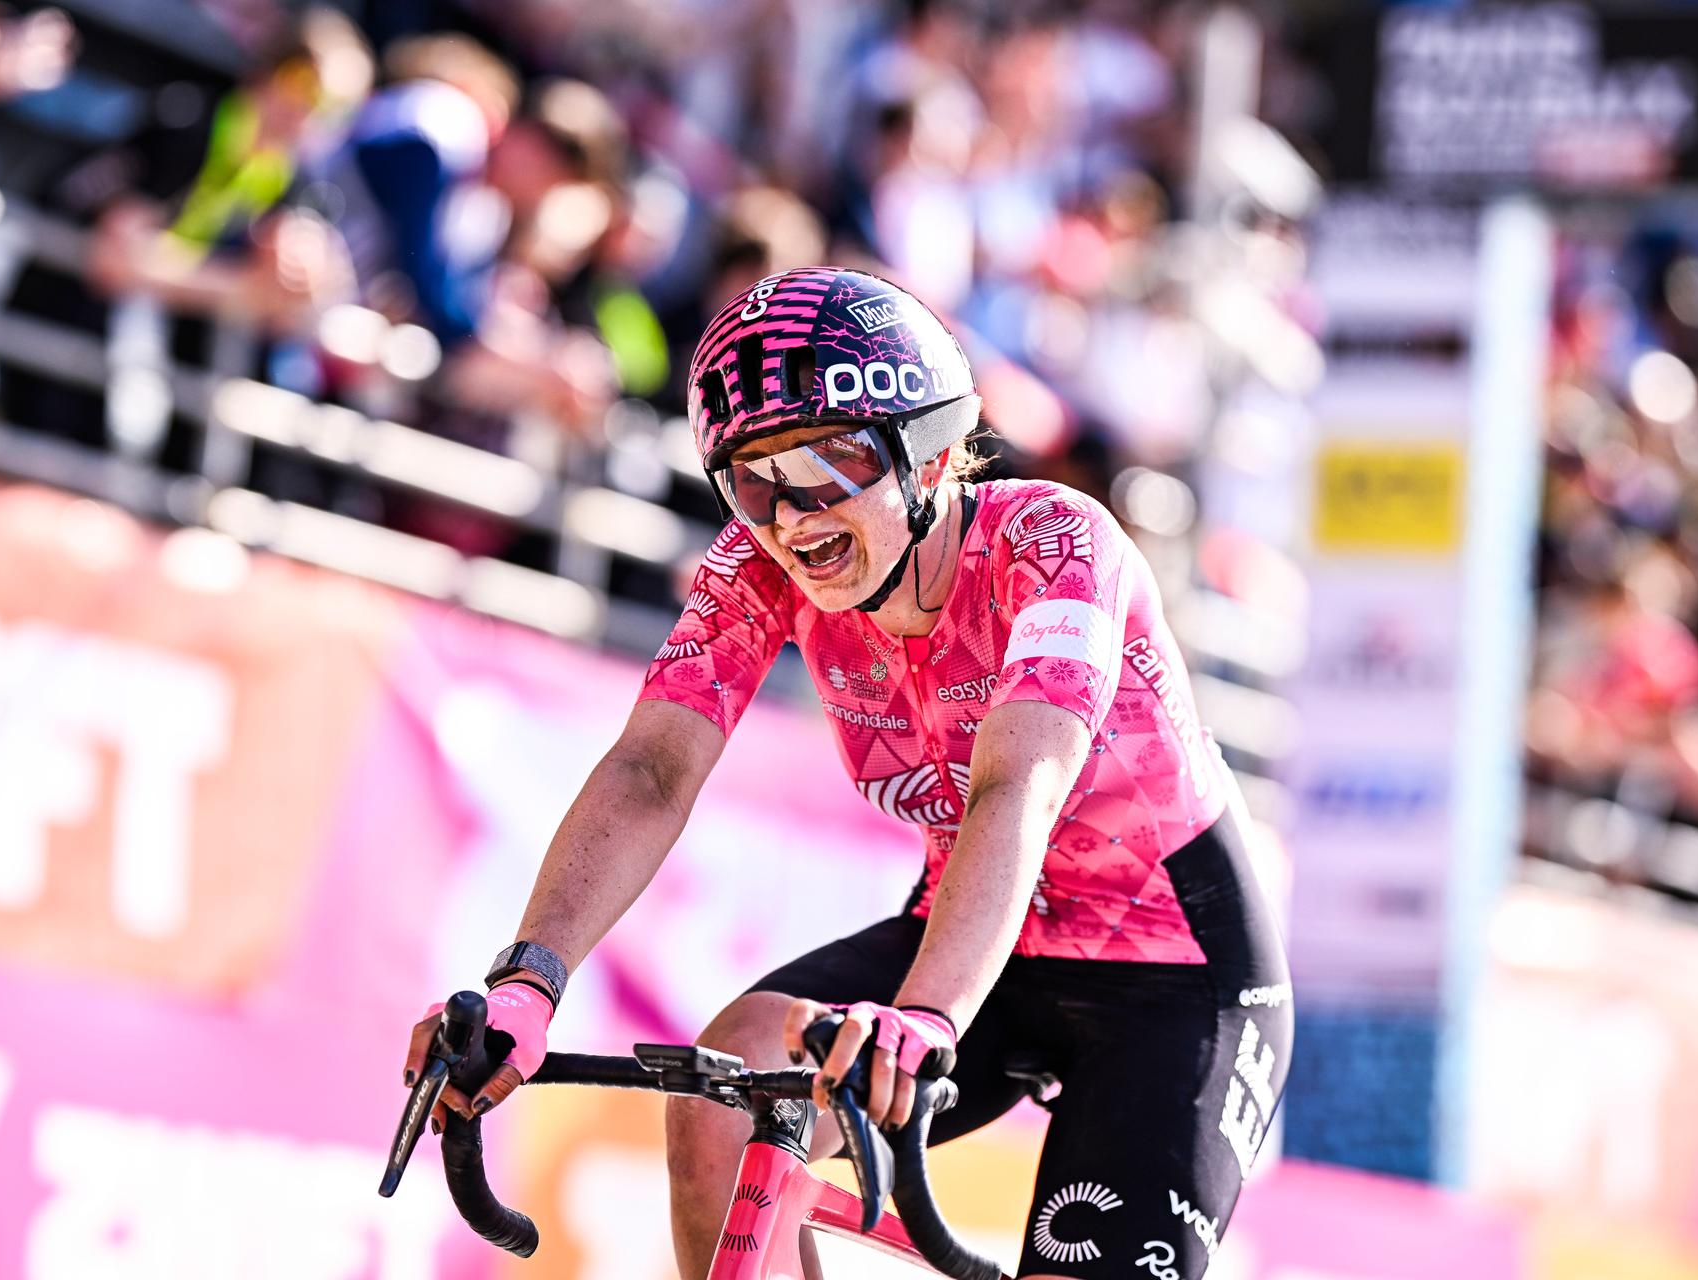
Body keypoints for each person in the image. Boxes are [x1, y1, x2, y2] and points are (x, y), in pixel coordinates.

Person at [403, 267, 1292, 1280]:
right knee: (726, 1097)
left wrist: (926, 1015)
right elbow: (652, 769)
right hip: (981, 932)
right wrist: (527, 982)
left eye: (828, 465)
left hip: (1175, 978)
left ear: (934, 454)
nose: (792, 519)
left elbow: (1017, 788)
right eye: (752, 480)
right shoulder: (757, 567)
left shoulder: (1055, 542)